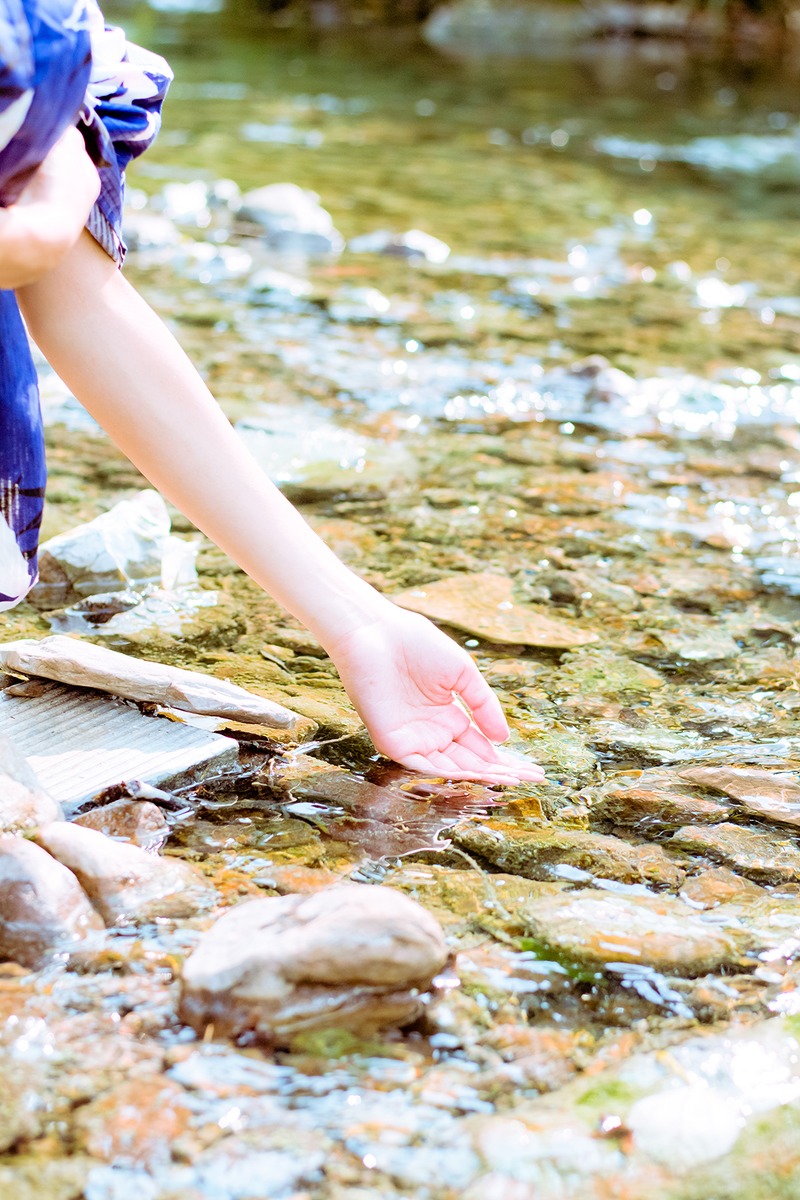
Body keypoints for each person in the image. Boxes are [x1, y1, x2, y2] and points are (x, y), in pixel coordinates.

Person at [1, 0, 544, 786]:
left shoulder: (36, 32)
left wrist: (357, 621)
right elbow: (40, 246)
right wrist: (40, 224)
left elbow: (79, 300)